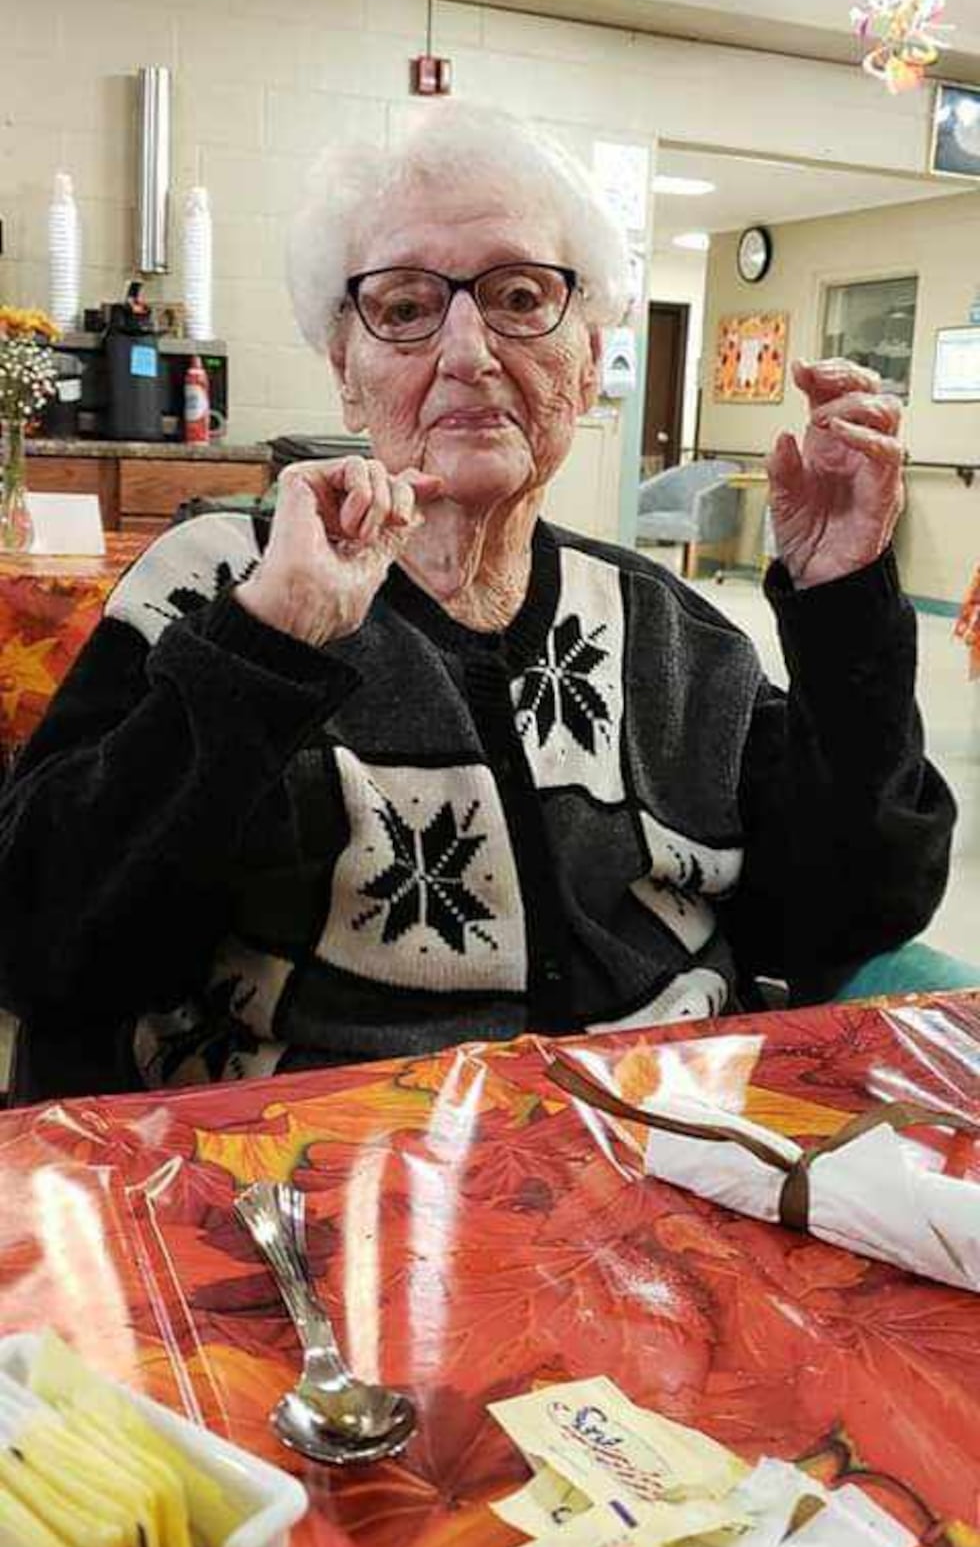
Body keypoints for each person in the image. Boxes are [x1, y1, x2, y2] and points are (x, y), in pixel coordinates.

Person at [0, 106, 955, 1095]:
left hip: (668, 1158)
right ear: (344, 372)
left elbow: (852, 910)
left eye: (517, 295)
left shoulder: (670, 633)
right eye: (405, 308)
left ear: (585, 361)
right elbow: (47, 950)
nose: (467, 350)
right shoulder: (219, 585)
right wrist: (267, 643)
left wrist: (842, 603)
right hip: (314, 1182)